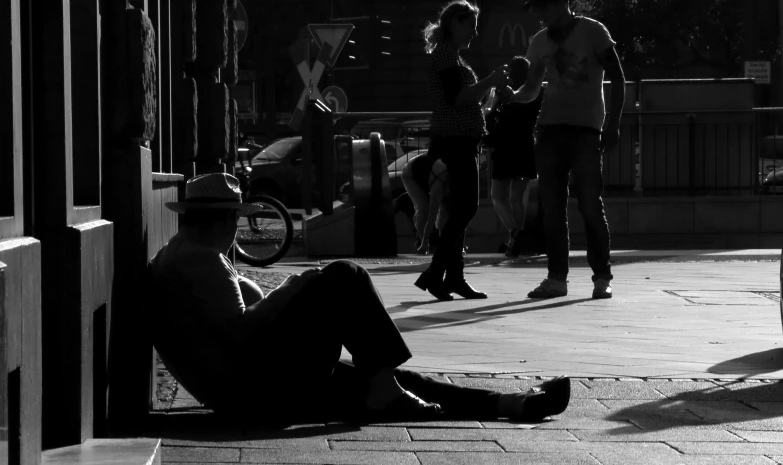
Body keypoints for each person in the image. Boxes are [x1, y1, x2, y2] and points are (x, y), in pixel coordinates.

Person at [150, 173, 572, 424]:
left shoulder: (185, 255)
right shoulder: (200, 260)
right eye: (236, 220)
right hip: (256, 392)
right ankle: (391, 385)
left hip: (253, 387)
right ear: (223, 220)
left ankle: (510, 403)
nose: (237, 231)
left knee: (394, 384)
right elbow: (241, 332)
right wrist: (294, 287)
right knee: (342, 275)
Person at [506, 0, 626, 300]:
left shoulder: (593, 31)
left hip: (586, 131)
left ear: (561, 2)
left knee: (589, 205)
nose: (540, 15)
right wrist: (514, 96)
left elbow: (618, 75)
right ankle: (556, 278)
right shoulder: (538, 42)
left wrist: (613, 124)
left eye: (542, 7)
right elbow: (533, 88)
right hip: (549, 131)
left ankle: (602, 277)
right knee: (552, 209)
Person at [418, 0, 510, 301]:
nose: (474, 33)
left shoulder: (450, 57)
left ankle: (454, 277)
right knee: (466, 208)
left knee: (460, 210)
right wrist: (491, 81)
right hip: (456, 140)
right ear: (455, 24)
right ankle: (436, 273)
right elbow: (456, 98)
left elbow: (460, 99)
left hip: (460, 138)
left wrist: (487, 94)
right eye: (470, 26)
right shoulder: (446, 57)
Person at [484, 56, 542, 258]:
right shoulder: (536, 93)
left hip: (505, 147)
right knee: (518, 200)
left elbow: (488, 113)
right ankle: (516, 243)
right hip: (525, 147)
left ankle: (515, 233)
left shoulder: (503, 92)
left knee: (498, 197)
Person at [400, 152, 449, 255]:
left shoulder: (454, 185)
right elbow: (432, 216)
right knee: (424, 209)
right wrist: (425, 242)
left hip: (428, 170)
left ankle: (443, 244)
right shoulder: (438, 187)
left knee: (446, 211)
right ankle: (423, 244)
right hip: (410, 172)